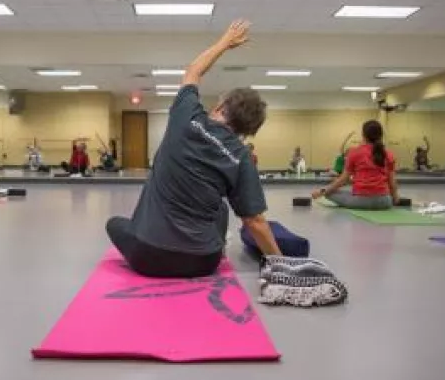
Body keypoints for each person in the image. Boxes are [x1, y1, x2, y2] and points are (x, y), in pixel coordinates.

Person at [105, 20, 281, 278]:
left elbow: (193, 71)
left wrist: (225, 43)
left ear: (220, 109)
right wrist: (280, 262)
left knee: (115, 224)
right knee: (221, 207)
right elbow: (254, 220)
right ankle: (217, 248)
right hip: (203, 262)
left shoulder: (187, 117)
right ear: (248, 130)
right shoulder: (242, 156)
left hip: (148, 257)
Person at [312, 120, 399, 210]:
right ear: (380, 136)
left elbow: (343, 180)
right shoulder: (389, 154)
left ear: (363, 135)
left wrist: (322, 191)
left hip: (361, 201)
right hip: (384, 202)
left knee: (329, 193)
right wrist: (395, 197)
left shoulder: (355, 153)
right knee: (347, 193)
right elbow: (392, 182)